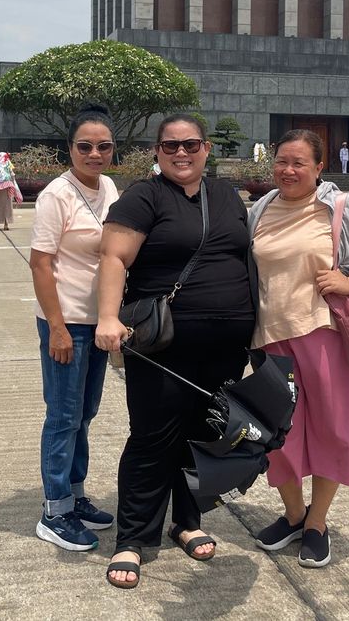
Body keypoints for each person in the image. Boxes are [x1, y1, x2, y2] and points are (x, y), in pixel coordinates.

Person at [95, 114, 255, 589]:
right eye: (170, 146)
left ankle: (185, 521)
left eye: (190, 145)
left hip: (227, 345)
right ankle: (133, 537)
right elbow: (114, 258)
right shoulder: (145, 196)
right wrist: (108, 317)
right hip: (163, 344)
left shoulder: (226, 195)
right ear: (156, 152)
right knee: (151, 437)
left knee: (201, 437)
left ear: (207, 149)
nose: (180, 153)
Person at [248, 129, 349, 569]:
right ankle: (294, 515)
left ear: (320, 168)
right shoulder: (261, 209)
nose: (288, 170)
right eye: (282, 161)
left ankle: (317, 524)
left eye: (299, 162)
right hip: (271, 339)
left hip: (326, 336)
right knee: (277, 437)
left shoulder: (342, 206)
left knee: (330, 431)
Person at [30, 107, 120, 552]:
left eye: (103, 146)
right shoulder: (55, 196)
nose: (94, 153)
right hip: (66, 324)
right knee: (63, 416)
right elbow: (41, 264)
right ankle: (55, 510)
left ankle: (76, 494)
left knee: (84, 414)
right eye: (84, 146)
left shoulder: (108, 187)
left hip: (98, 321)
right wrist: (59, 330)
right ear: (69, 150)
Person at [0, 152, 20, 231]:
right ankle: (6, 224)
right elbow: (12, 174)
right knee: (7, 205)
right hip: (8, 186)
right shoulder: (7, 162)